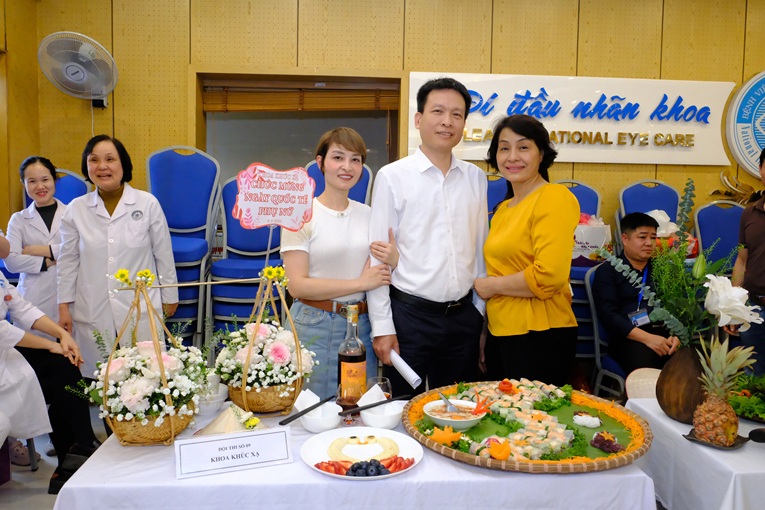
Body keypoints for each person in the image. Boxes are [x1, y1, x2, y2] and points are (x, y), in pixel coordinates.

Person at [368, 77, 488, 397]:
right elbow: (377, 257)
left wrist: (479, 315)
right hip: (410, 319)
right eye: (438, 111)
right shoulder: (392, 177)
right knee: (402, 409)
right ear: (419, 119)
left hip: (464, 319)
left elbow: (480, 252)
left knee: (461, 409)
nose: (447, 121)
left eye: (457, 114)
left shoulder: (476, 178)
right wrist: (382, 326)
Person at [281, 127, 396, 398]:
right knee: (311, 409)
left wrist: (395, 259)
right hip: (313, 323)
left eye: (355, 159)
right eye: (338, 157)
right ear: (320, 163)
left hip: (361, 324)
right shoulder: (300, 215)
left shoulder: (370, 215)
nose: (347, 166)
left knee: (357, 407)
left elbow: (381, 273)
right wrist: (359, 283)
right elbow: (297, 286)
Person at [57, 135, 179, 377]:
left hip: (139, 303)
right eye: (94, 160)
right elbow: (67, 261)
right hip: (92, 304)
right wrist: (63, 306)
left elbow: (163, 254)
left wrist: (170, 296)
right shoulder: (76, 209)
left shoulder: (147, 203)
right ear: (86, 166)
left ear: (123, 164)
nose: (102, 166)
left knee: (147, 373)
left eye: (110, 159)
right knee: (99, 375)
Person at [474, 114, 579, 386]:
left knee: (535, 414)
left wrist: (491, 286)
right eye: (504, 148)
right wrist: (485, 332)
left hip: (540, 334)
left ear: (541, 154)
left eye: (523, 147)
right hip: (500, 332)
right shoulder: (502, 210)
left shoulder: (553, 197)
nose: (512, 157)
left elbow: (549, 275)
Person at [1, 235, 98, 494]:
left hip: (5, 352)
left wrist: (62, 336)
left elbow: (22, 308)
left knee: (63, 366)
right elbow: (2, 332)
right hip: (4, 349)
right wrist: (50, 344)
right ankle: (78, 452)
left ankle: (77, 451)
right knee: (57, 378)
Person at [592, 212, 680, 375]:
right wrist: (649, 339)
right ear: (625, 239)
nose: (649, 243)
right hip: (629, 339)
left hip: (664, 337)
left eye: (653, 237)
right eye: (642, 237)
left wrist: (677, 335)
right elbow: (608, 315)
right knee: (648, 369)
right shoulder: (608, 271)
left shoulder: (661, 270)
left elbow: (676, 308)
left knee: (691, 364)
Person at [4, 156, 65, 340]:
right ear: (23, 183)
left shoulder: (72, 214)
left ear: (54, 179)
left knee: (71, 351)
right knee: (35, 353)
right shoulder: (18, 220)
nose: (40, 186)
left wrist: (33, 250)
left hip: (69, 300)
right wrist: (47, 262)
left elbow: (81, 249)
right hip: (33, 300)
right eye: (32, 181)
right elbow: (11, 262)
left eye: (45, 179)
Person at [729, 149, 765, 375]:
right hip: (754, 308)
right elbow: (742, 261)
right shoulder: (749, 213)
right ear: (760, 169)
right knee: (753, 379)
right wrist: (734, 307)